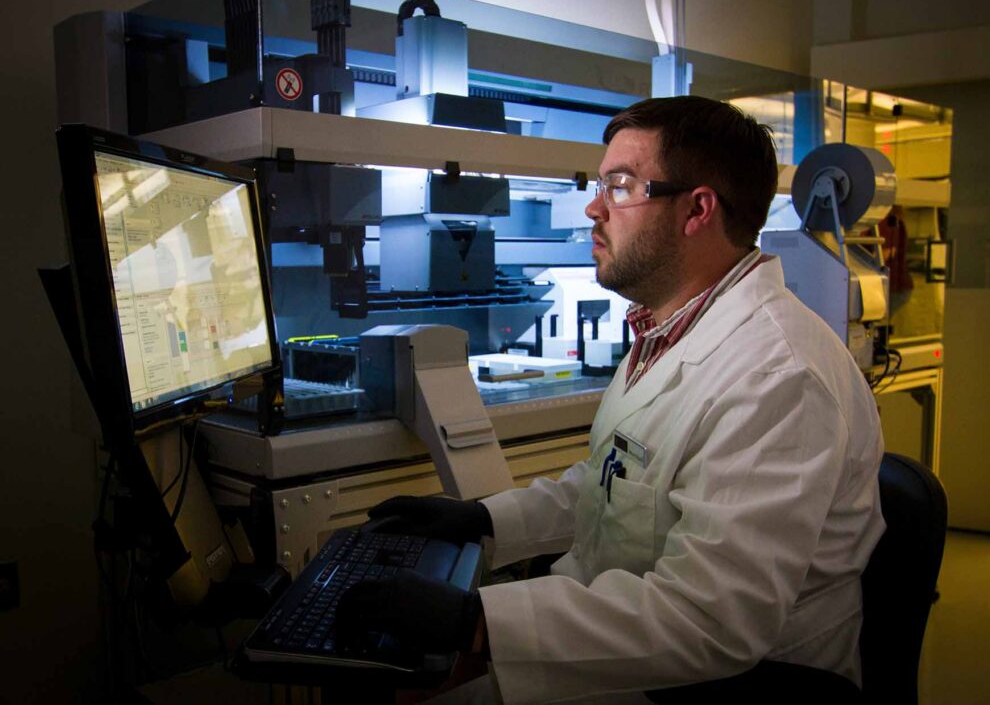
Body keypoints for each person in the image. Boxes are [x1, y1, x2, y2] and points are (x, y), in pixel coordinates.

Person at [336, 95, 885, 704]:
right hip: (627, 647)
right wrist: (485, 518)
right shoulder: (668, 328)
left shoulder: (779, 377)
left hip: (720, 686)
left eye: (620, 187)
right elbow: (615, 485)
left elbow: (712, 621)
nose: (594, 208)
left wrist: (478, 622)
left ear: (697, 209)